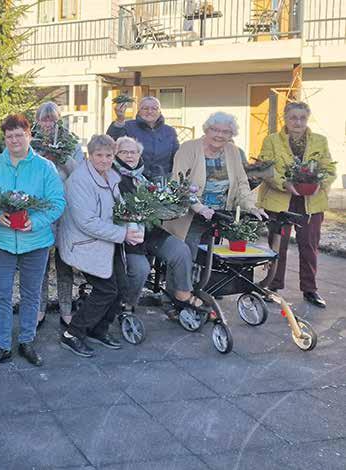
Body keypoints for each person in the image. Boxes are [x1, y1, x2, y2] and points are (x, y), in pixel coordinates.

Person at [0, 114, 66, 368]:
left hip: (35, 241)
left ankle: (27, 341)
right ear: (4, 139)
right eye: (9, 136)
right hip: (0, 241)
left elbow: (57, 202)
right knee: (1, 295)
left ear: (29, 136)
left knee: (31, 295)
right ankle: (2, 345)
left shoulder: (45, 167)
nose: (14, 140)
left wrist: (35, 222)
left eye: (19, 135)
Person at [60, 135, 144, 358]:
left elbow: (119, 208)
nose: (104, 160)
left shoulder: (110, 176)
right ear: (89, 155)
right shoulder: (79, 181)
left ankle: (99, 329)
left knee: (121, 289)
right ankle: (72, 333)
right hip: (84, 243)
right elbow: (86, 222)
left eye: (109, 155)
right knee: (106, 290)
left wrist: (133, 221)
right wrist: (123, 233)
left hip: (107, 241)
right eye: (99, 155)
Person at [256, 102, 335, 308]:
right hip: (279, 201)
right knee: (277, 245)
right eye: (293, 117)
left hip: (311, 202)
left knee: (309, 246)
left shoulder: (320, 140)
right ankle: (273, 285)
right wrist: (285, 183)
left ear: (307, 119)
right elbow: (266, 169)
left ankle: (310, 289)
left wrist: (319, 184)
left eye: (302, 118)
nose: (298, 122)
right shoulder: (272, 140)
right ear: (285, 118)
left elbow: (329, 169)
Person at [114, 136, 204, 316]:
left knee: (180, 250)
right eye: (124, 152)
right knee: (141, 269)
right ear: (115, 154)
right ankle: (127, 303)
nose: (129, 156)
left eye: (133, 152)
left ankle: (182, 293)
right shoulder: (111, 178)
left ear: (139, 155)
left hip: (151, 232)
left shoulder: (144, 178)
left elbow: (160, 201)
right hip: (127, 237)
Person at [163, 112, 265, 259]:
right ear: (206, 130)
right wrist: (200, 208)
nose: (219, 135)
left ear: (231, 135)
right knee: (188, 258)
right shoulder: (188, 148)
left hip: (217, 216)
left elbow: (241, 183)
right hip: (190, 217)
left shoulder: (233, 151)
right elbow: (178, 183)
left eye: (226, 132)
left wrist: (251, 207)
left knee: (210, 259)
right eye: (215, 130)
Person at [33, 101, 84, 327]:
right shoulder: (32, 142)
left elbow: (79, 173)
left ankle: (66, 308)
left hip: (64, 207)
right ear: (37, 121)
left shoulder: (70, 142)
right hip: (40, 208)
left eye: (52, 119)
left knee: (64, 261)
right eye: (44, 119)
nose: (48, 124)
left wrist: (62, 157)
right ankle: (39, 308)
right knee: (40, 261)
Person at [107, 96, 179, 179]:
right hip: (132, 179)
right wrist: (120, 120)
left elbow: (177, 157)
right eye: (145, 108)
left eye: (154, 108)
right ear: (139, 111)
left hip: (162, 180)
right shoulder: (127, 126)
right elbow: (110, 143)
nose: (149, 111)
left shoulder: (169, 131)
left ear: (160, 112)